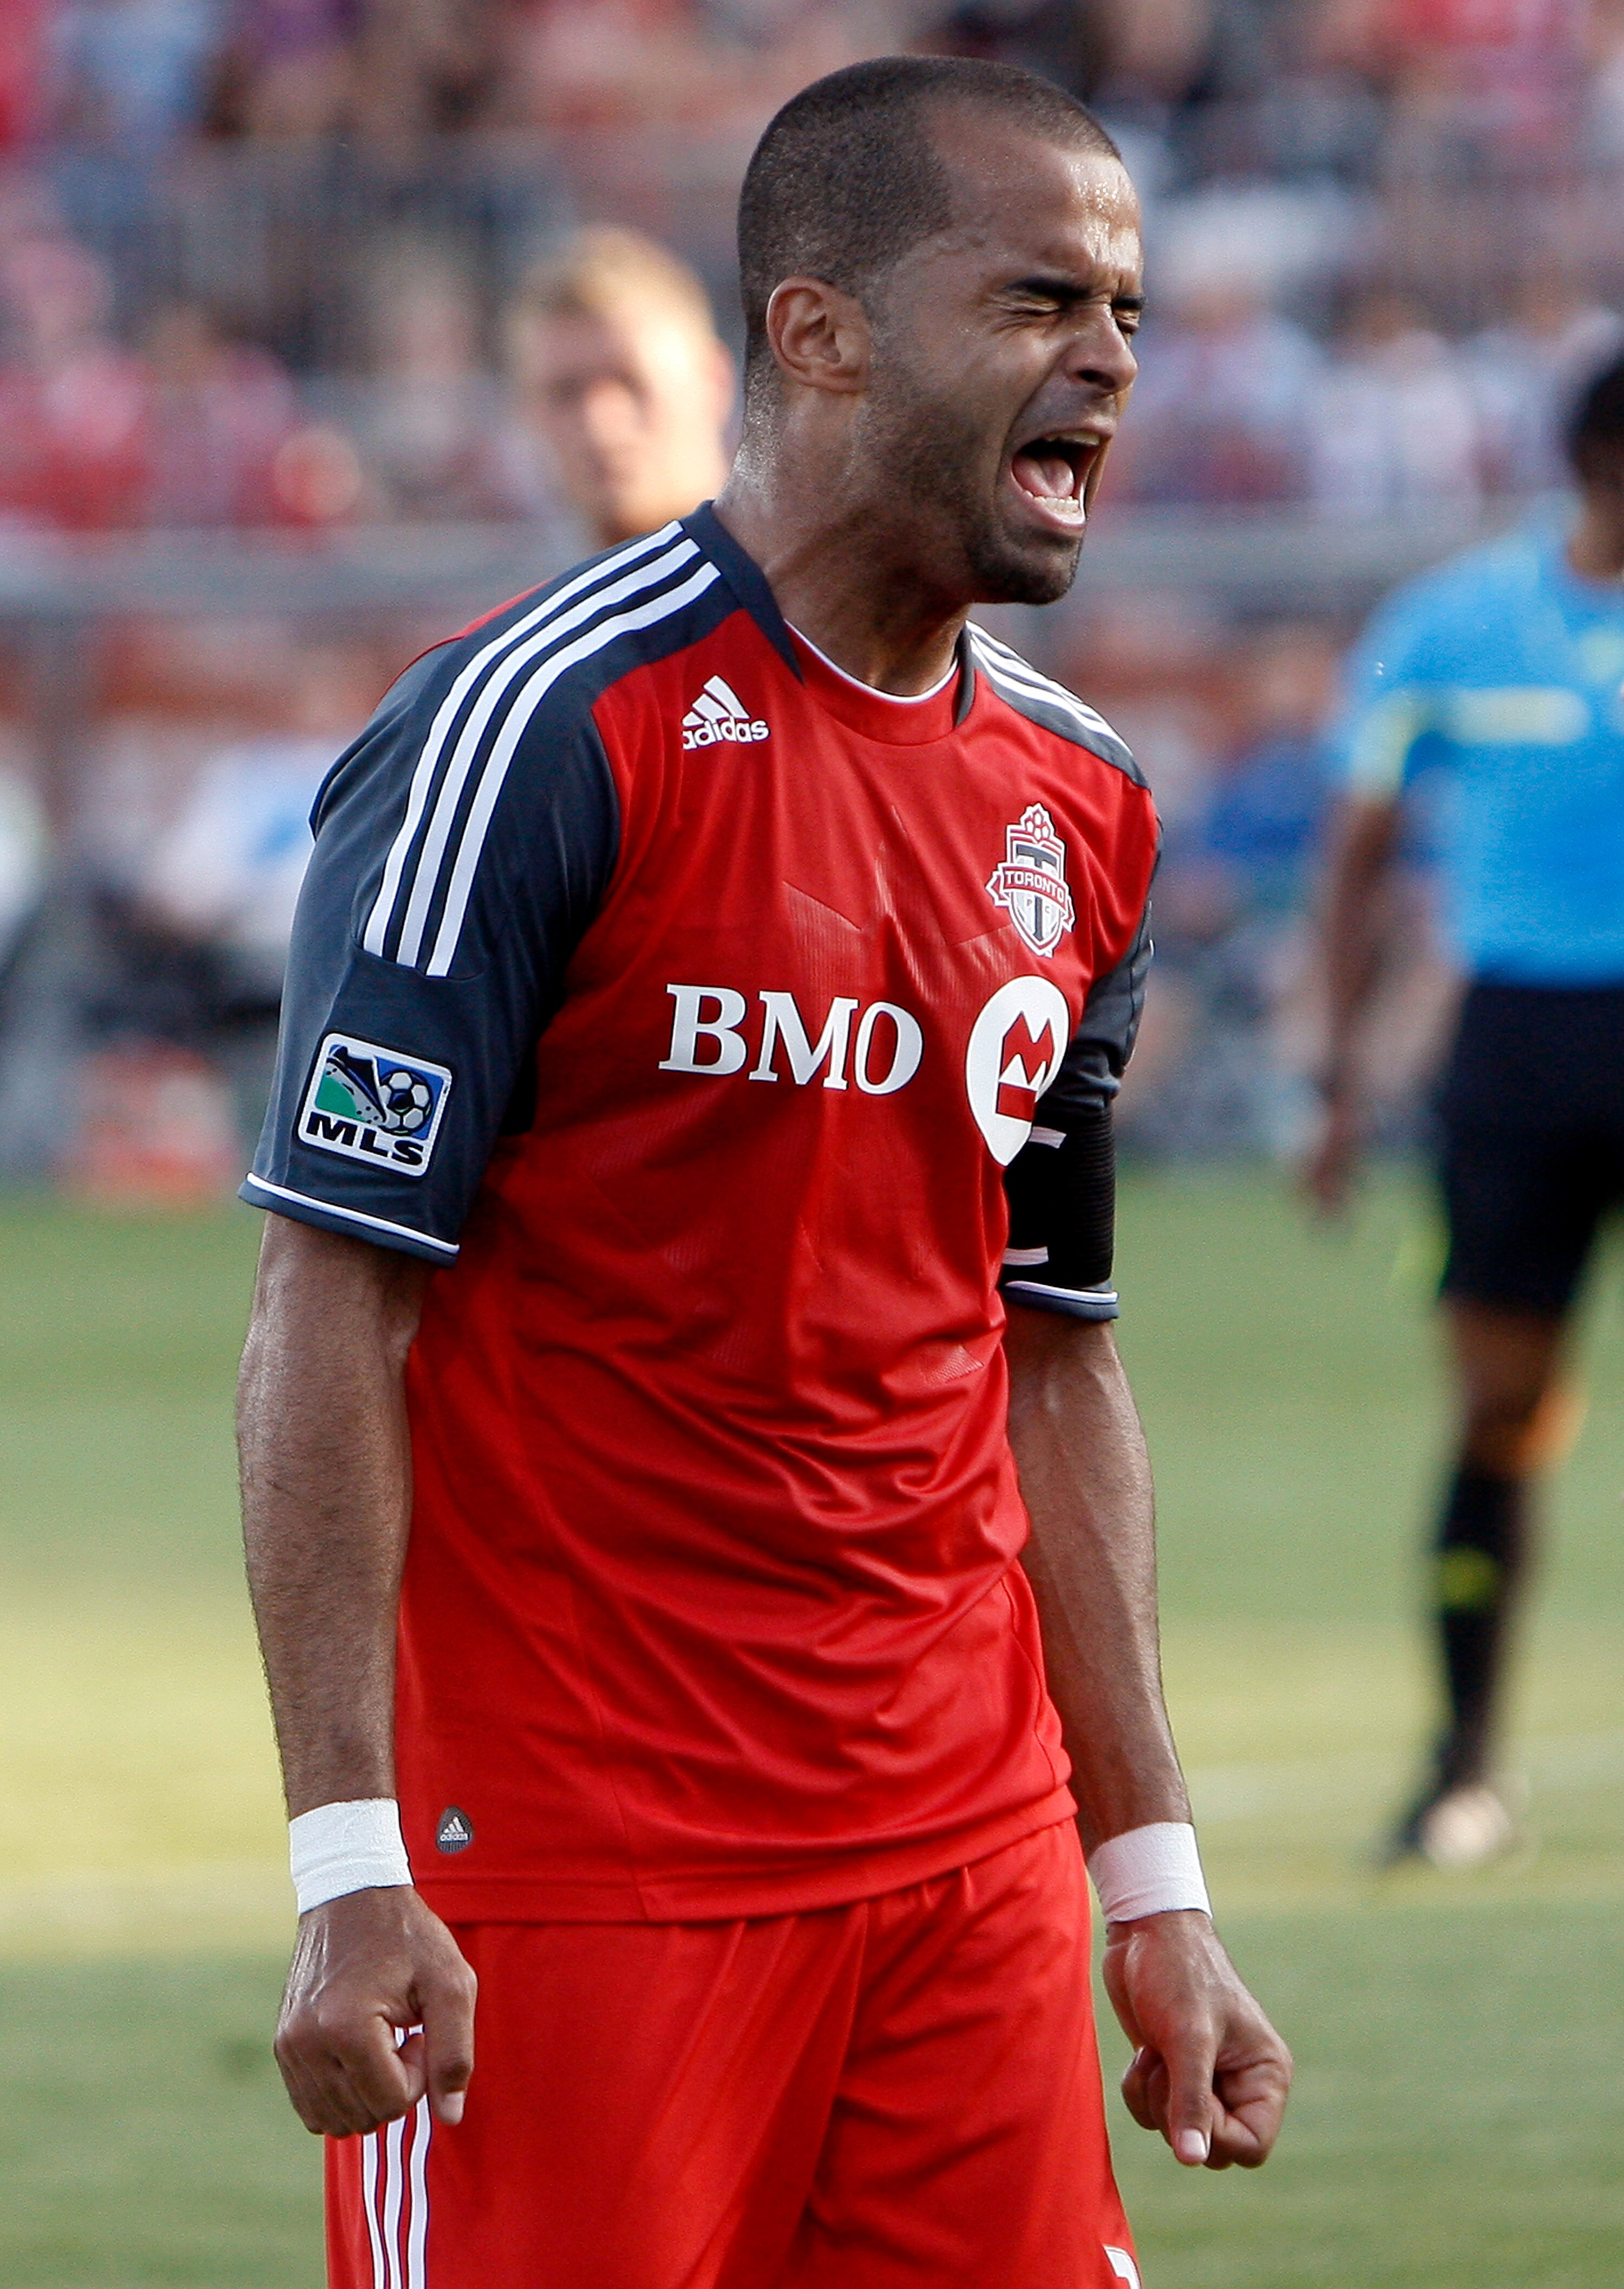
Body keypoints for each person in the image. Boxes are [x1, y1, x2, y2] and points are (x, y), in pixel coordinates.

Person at [237, 55, 1292, 2289]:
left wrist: (1152, 1883)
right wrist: (346, 1855)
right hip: (577, 1862)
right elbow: (333, 1299)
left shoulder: (1085, 806)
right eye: (1037, 299)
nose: (1109, 355)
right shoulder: (531, 735)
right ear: (817, 334)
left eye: (1129, 307)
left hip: (965, 1853)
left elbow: (1054, 1355)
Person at [1308, 352, 1624, 1871]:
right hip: (1520, 1052)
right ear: (1595, 462)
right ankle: (1462, 1769)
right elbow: (1358, 853)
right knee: (1502, 1409)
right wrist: (1336, 1075)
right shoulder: (1451, 623)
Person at [501, 223, 735, 550]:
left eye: (631, 383)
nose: (600, 424)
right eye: (565, 393)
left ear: (714, 383)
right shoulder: (534, 599)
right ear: (526, 411)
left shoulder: (814, 591)